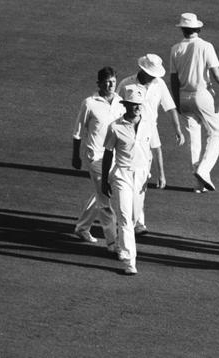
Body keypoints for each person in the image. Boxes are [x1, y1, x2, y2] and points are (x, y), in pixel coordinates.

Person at [116, 54, 185, 234]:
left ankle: (138, 222)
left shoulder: (159, 84)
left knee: (142, 179)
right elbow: (115, 110)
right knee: (122, 180)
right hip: (127, 134)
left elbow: (170, 107)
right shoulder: (126, 84)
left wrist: (178, 130)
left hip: (149, 132)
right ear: (143, 70)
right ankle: (121, 216)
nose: (154, 77)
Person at [169, 12, 219, 193]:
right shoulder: (206, 46)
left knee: (194, 139)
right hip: (203, 95)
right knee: (216, 133)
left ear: (183, 29)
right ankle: (203, 170)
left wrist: (176, 102)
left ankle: (198, 184)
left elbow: (174, 79)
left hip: (183, 97)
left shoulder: (175, 48)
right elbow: (216, 73)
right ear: (197, 28)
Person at [101, 86, 155, 275]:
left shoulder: (149, 125)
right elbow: (108, 153)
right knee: (124, 217)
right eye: (133, 105)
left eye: (139, 105)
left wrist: (149, 174)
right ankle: (130, 261)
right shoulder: (115, 126)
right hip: (121, 175)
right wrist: (104, 179)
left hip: (140, 176)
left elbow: (150, 152)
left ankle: (124, 249)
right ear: (126, 106)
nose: (136, 108)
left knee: (132, 218)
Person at [71, 66, 123, 250]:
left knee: (101, 192)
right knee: (105, 200)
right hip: (95, 157)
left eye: (113, 82)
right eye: (107, 81)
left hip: (116, 157)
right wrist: (75, 156)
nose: (110, 85)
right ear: (99, 83)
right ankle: (112, 242)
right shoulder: (89, 103)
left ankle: (82, 227)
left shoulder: (121, 102)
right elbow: (78, 132)